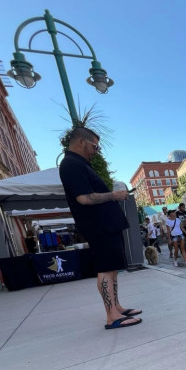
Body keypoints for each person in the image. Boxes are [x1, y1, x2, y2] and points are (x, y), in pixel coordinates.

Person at [58, 127, 142, 330]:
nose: (97, 151)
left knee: (112, 268)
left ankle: (116, 307)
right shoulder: (71, 164)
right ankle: (112, 316)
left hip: (105, 224)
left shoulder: (78, 164)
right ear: (81, 142)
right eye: (95, 146)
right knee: (105, 269)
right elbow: (83, 198)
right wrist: (114, 195)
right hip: (99, 226)